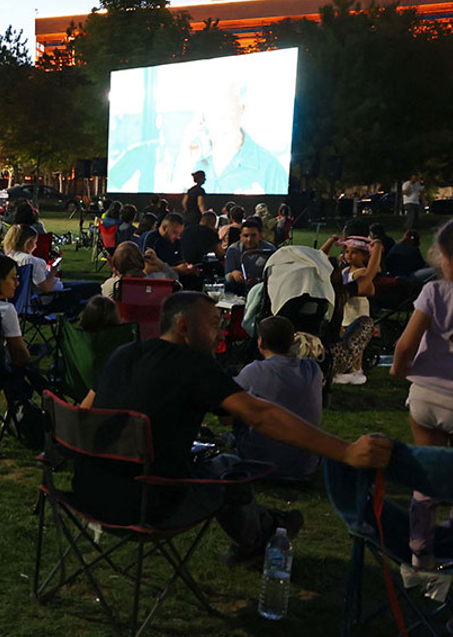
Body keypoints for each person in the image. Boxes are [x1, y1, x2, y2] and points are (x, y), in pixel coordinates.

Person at [78, 291, 393, 561]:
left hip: (89, 494)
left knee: (209, 459)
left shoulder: (122, 353)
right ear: (184, 327)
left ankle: (267, 523)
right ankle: (261, 535)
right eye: (214, 325)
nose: (219, 334)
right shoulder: (195, 364)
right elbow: (258, 415)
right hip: (148, 507)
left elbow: (84, 412)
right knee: (228, 467)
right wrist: (346, 451)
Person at [391, 219, 453, 570]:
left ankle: (421, 551)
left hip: (427, 397)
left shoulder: (433, 292)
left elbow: (405, 345)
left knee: (426, 474)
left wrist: (399, 370)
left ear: (441, 256)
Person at [232, 316, 323, 479]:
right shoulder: (313, 370)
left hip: (259, 462)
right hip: (305, 464)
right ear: (292, 342)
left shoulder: (253, 371)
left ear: (260, 342)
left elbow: (227, 413)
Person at [321, 234, 383, 384]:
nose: (348, 255)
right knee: (343, 339)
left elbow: (370, 279)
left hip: (356, 312)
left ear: (364, 256)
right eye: (346, 251)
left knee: (355, 342)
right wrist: (331, 240)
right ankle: (346, 368)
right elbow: (321, 257)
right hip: (345, 312)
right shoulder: (345, 271)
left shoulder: (360, 272)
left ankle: (356, 369)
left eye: (353, 252)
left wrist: (376, 250)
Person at [100, 242, 176, 298]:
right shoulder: (155, 283)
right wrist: (159, 262)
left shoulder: (111, 285)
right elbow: (174, 277)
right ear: (141, 260)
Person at [143, 212, 200, 286]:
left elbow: (179, 259)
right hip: (157, 281)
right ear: (164, 228)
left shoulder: (176, 241)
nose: (178, 236)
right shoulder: (152, 238)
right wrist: (177, 269)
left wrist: (188, 268)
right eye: (175, 232)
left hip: (172, 276)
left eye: (180, 233)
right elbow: (149, 269)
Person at [223, 218, 276, 293]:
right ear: (240, 236)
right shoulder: (233, 250)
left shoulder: (269, 250)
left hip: (262, 287)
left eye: (253, 235)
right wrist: (233, 275)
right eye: (246, 236)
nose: (249, 239)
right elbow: (227, 275)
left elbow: (275, 274)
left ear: (260, 235)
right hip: (240, 287)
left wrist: (258, 280)